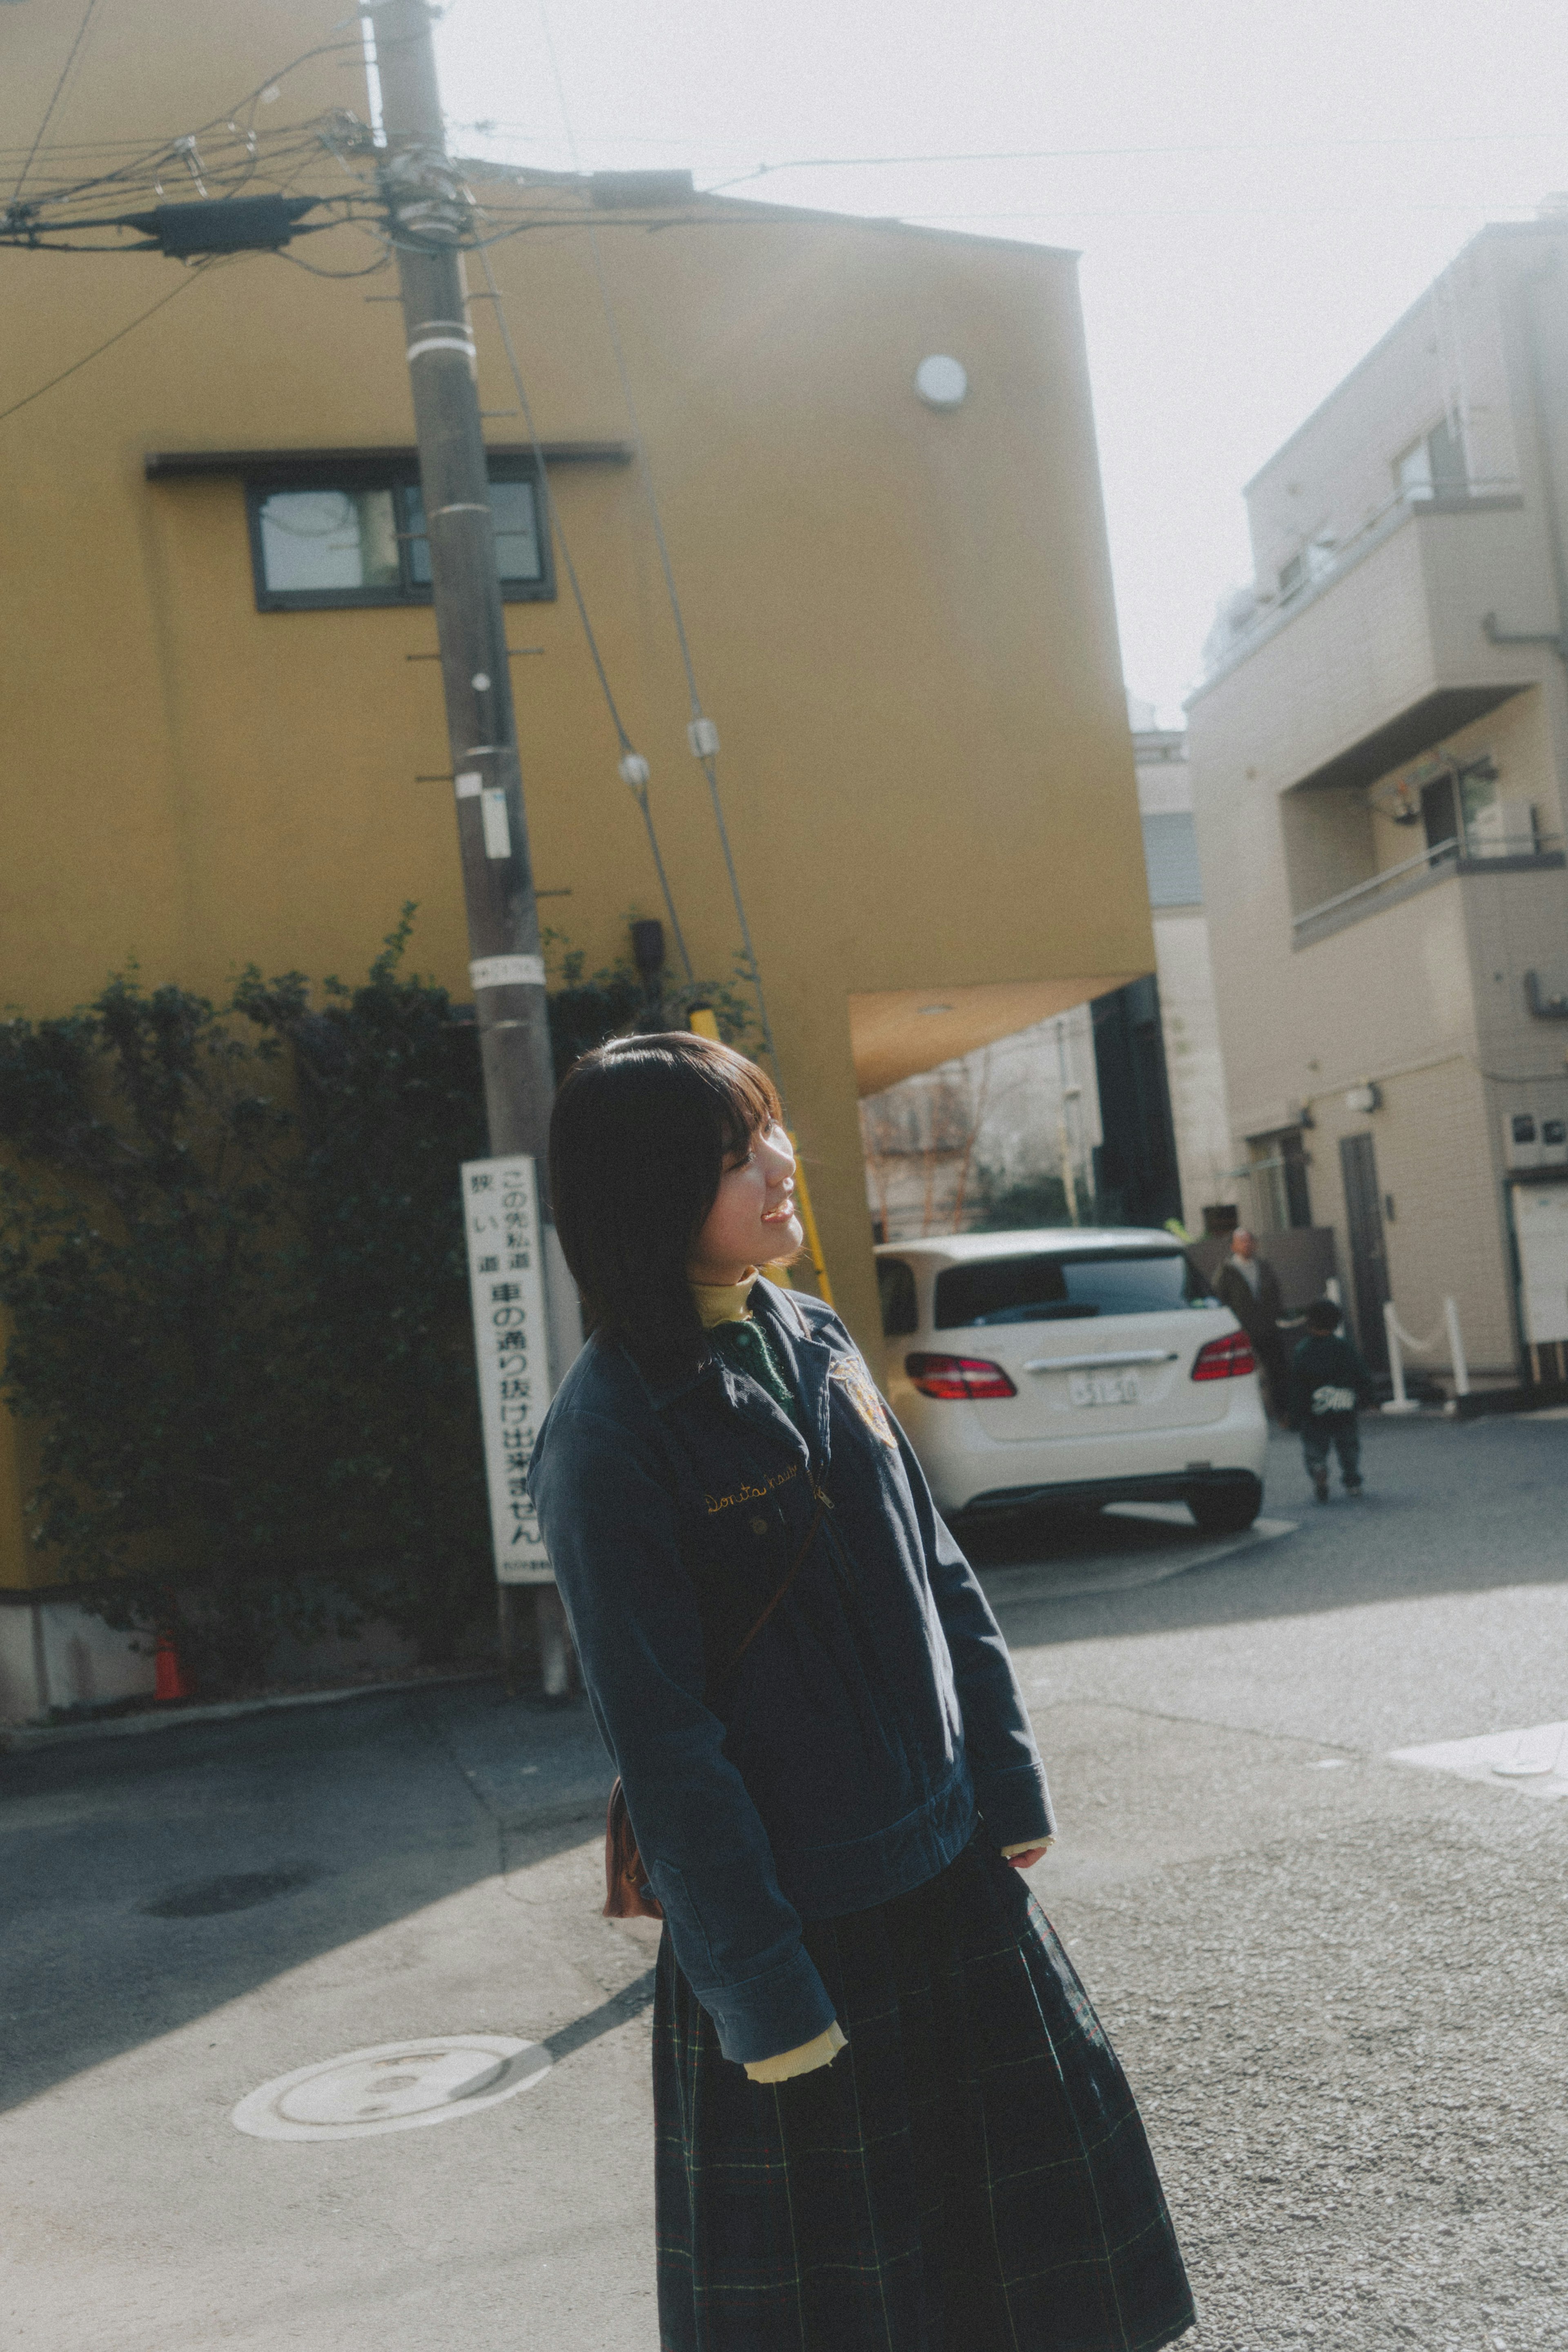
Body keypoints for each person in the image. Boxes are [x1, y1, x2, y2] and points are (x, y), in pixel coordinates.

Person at [529, 1032, 1194, 2352]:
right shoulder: (608, 1435)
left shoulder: (814, 1333)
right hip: (802, 1944)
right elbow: (667, 1749)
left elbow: (943, 1574)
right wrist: (764, 1995)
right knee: (861, 2311)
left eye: (768, 1128)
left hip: (953, 1881)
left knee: (1032, 2290)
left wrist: (1003, 1781)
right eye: (735, 1153)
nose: (782, 1162)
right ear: (647, 1198)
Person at [1287, 1296, 1375, 1502]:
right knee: (1348, 1446)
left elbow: (1297, 1386)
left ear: (1309, 1322)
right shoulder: (1344, 1348)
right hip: (1344, 1406)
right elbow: (1361, 1373)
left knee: (1314, 1446)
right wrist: (1368, 1398)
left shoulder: (1303, 1351)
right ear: (1337, 1323)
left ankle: (1319, 1470)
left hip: (1315, 1410)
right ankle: (1352, 1480)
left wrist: (1294, 1414)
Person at [1213, 1228, 1289, 1418]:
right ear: (1233, 1246)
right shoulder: (1227, 1272)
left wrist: (1276, 1315)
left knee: (1277, 1369)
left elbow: (1275, 1294)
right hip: (1242, 1330)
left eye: (1249, 1241)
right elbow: (1220, 1300)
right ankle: (1246, 1412)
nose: (1247, 1244)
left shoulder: (1264, 1267)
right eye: (1242, 1241)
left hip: (1268, 1328)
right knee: (1243, 1372)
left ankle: (1282, 1411)